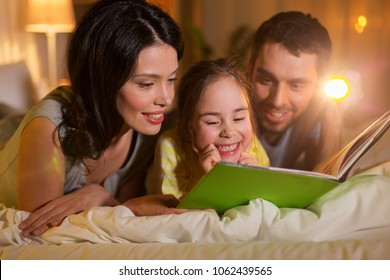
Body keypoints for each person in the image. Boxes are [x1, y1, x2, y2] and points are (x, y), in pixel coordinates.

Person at [0, 0, 188, 237]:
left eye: (171, 79)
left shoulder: (145, 129)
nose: (166, 98)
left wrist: (102, 197)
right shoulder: (50, 129)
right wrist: (105, 200)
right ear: (104, 80)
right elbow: (39, 236)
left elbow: (121, 209)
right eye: (147, 84)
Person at [146, 58, 270, 199]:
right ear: (186, 130)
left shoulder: (252, 146)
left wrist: (256, 182)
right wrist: (213, 180)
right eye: (213, 122)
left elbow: (269, 201)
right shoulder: (171, 146)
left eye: (239, 118)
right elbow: (171, 209)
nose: (229, 132)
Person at [247, 11, 342, 171]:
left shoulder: (317, 111)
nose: (278, 101)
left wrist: (331, 116)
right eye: (266, 80)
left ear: (319, 82)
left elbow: (324, 183)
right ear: (250, 68)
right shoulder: (227, 106)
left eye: (296, 85)